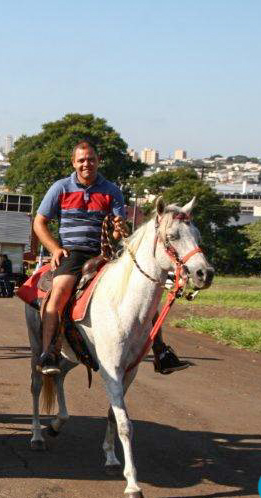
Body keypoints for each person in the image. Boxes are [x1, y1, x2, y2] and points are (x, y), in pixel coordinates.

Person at [33, 140, 189, 375]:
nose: (87, 164)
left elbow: (119, 229)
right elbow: (39, 222)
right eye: (82, 160)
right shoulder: (61, 188)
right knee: (60, 290)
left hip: (104, 251)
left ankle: (161, 351)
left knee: (142, 291)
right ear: (73, 163)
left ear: (98, 161)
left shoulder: (111, 190)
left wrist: (119, 228)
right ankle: (48, 353)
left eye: (91, 159)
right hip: (73, 252)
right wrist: (55, 249)